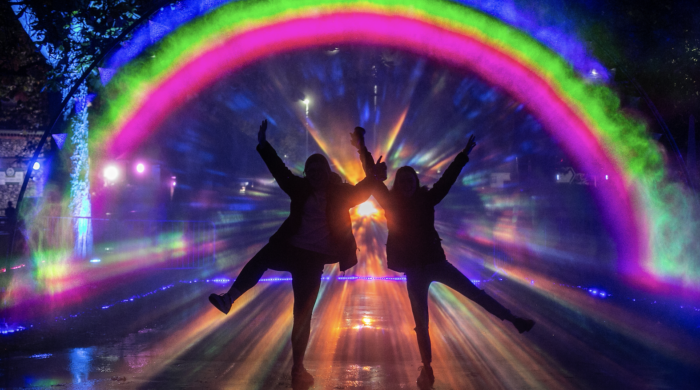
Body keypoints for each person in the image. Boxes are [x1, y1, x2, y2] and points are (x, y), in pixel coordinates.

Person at [358, 134, 535, 389]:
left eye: (410, 180)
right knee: (421, 323)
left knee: (474, 294)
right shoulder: (391, 202)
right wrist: (362, 148)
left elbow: (447, 180)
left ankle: (513, 320)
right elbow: (373, 179)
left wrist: (463, 155)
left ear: (415, 183)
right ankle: (427, 368)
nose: (407, 184)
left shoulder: (424, 199)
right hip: (416, 269)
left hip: (433, 264)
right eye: (403, 181)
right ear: (398, 184)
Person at [209, 120, 377, 388]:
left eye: (319, 170)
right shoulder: (299, 188)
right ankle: (229, 298)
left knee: (302, 315)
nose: (314, 174)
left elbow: (368, 187)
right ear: (307, 173)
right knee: (261, 258)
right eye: (310, 171)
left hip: (313, 259)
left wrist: (363, 150)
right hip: (290, 248)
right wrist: (263, 144)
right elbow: (279, 170)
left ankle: (298, 368)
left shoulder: (342, 194)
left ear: (327, 171)